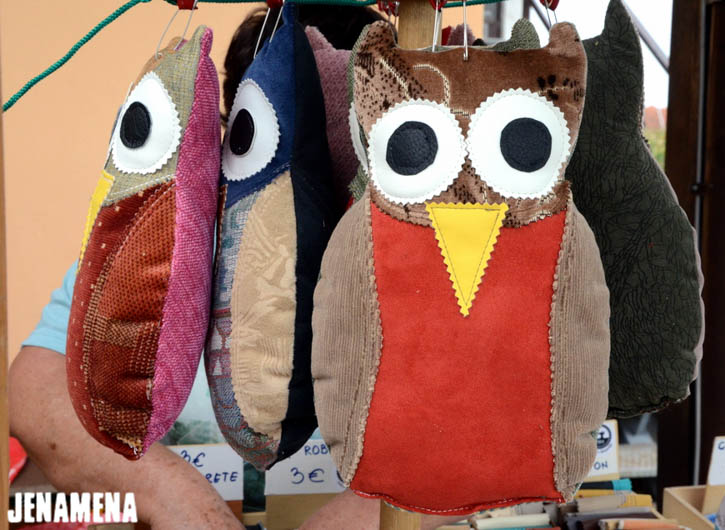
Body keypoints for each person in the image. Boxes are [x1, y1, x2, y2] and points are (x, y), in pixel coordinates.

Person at [9, 7, 464, 529]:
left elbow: (499, 415)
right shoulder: (169, 242)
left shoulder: (436, 249)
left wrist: (371, 514)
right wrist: (174, 496)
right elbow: (33, 388)